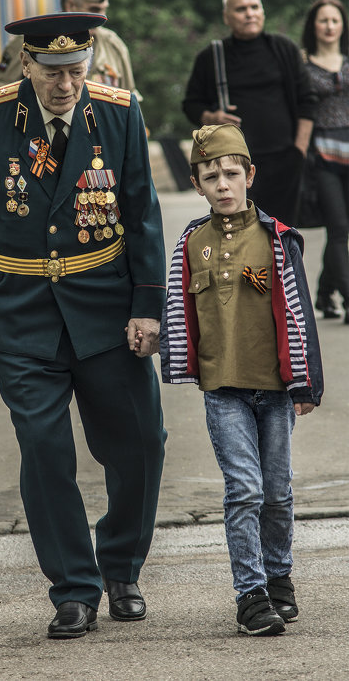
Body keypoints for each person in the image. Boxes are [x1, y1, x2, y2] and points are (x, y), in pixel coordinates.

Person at [0, 12, 167, 639]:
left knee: (139, 443)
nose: (65, 85)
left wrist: (147, 305)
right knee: (45, 451)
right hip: (21, 312)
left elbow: (141, 211)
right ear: (26, 65)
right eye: (52, 73)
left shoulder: (118, 109)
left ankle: (123, 568)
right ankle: (74, 588)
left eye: (75, 71)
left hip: (105, 309)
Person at [156, 124, 323, 636]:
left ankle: (279, 580)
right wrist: (159, 342)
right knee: (244, 490)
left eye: (232, 174)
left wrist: (305, 383)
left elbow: (299, 314)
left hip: (273, 390)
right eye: (212, 177)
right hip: (223, 389)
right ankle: (250, 596)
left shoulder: (277, 238)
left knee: (277, 493)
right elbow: (180, 310)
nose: (223, 185)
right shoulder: (191, 242)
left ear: (250, 175)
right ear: (197, 183)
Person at [182, 0, 317, 225]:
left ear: (263, 12)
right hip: (234, 164)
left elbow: (307, 100)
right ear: (227, 17)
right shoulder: (212, 56)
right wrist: (211, 117)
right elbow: (190, 104)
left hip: (285, 159)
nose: (249, 14)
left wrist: (300, 149)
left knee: (283, 233)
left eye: (255, 7)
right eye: (241, 9)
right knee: (241, 229)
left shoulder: (284, 49)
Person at [0, 0, 141, 99]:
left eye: (104, 9)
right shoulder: (31, 41)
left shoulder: (114, 45)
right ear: (71, 5)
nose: (103, 17)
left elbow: (128, 100)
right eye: (95, 9)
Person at [301, 0, 349, 324]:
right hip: (323, 155)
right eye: (323, 20)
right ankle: (347, 297)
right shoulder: (302, 67)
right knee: (339, 228)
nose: (329, 26)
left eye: (334, 20)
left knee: (342, 232)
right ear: (313, 26)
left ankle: (323, 292)